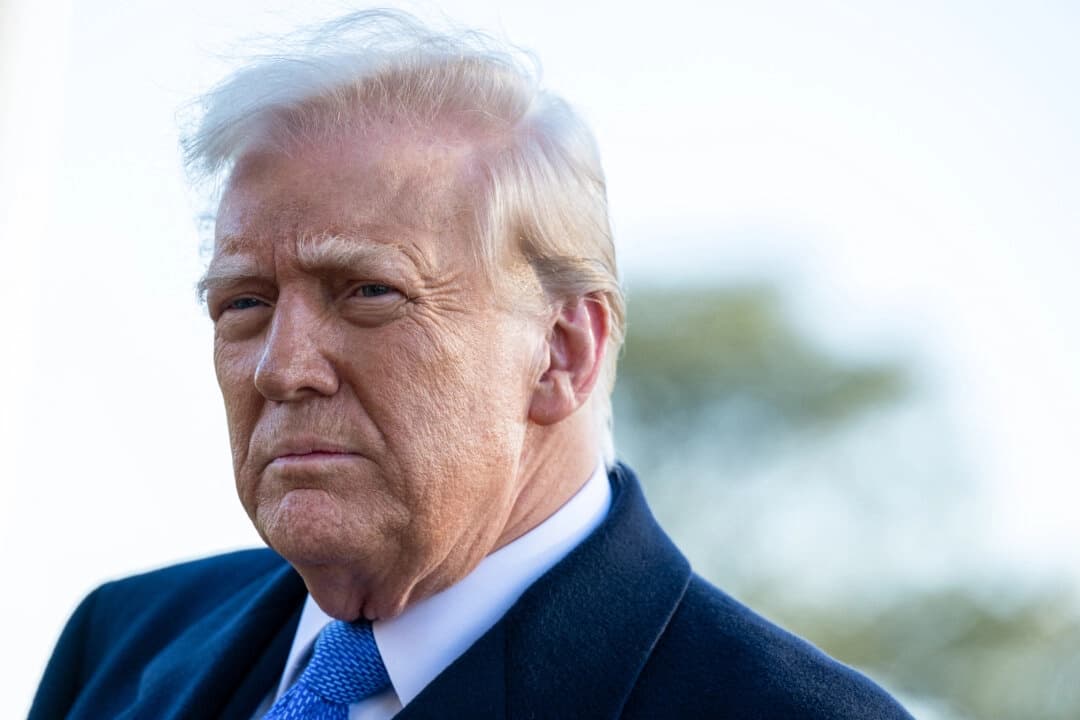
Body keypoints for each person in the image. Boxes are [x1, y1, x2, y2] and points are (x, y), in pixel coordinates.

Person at [30, 9, 912, 719]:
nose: (281, 367)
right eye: (243, 303)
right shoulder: (121, 643)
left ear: (563, 351)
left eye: (368, 292)